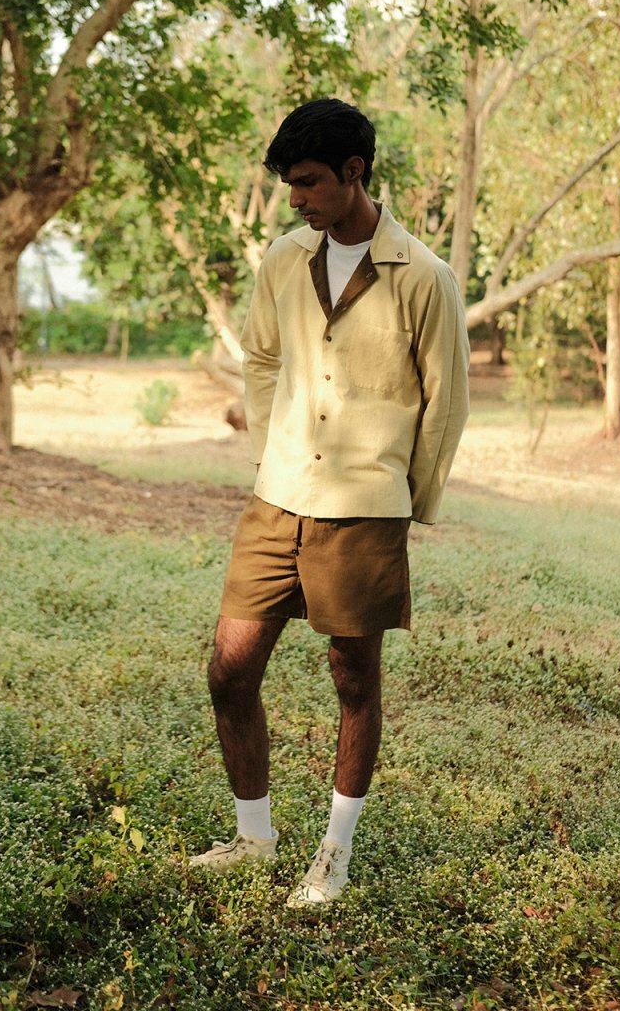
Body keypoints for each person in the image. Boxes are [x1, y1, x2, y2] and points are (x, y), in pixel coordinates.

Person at [189, 98, 470, 906]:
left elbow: (445, 401)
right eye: (289, 184)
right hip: (277, 496)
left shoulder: (425, 276)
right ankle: (254, 839)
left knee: (353, 680)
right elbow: (262, 357)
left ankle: (333, 857)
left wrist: (405, 504)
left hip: (364, 508)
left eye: (309, 182)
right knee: (229, 671)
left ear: (354, 172)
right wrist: (269, 447)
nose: (297, 199)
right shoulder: (284, 259)